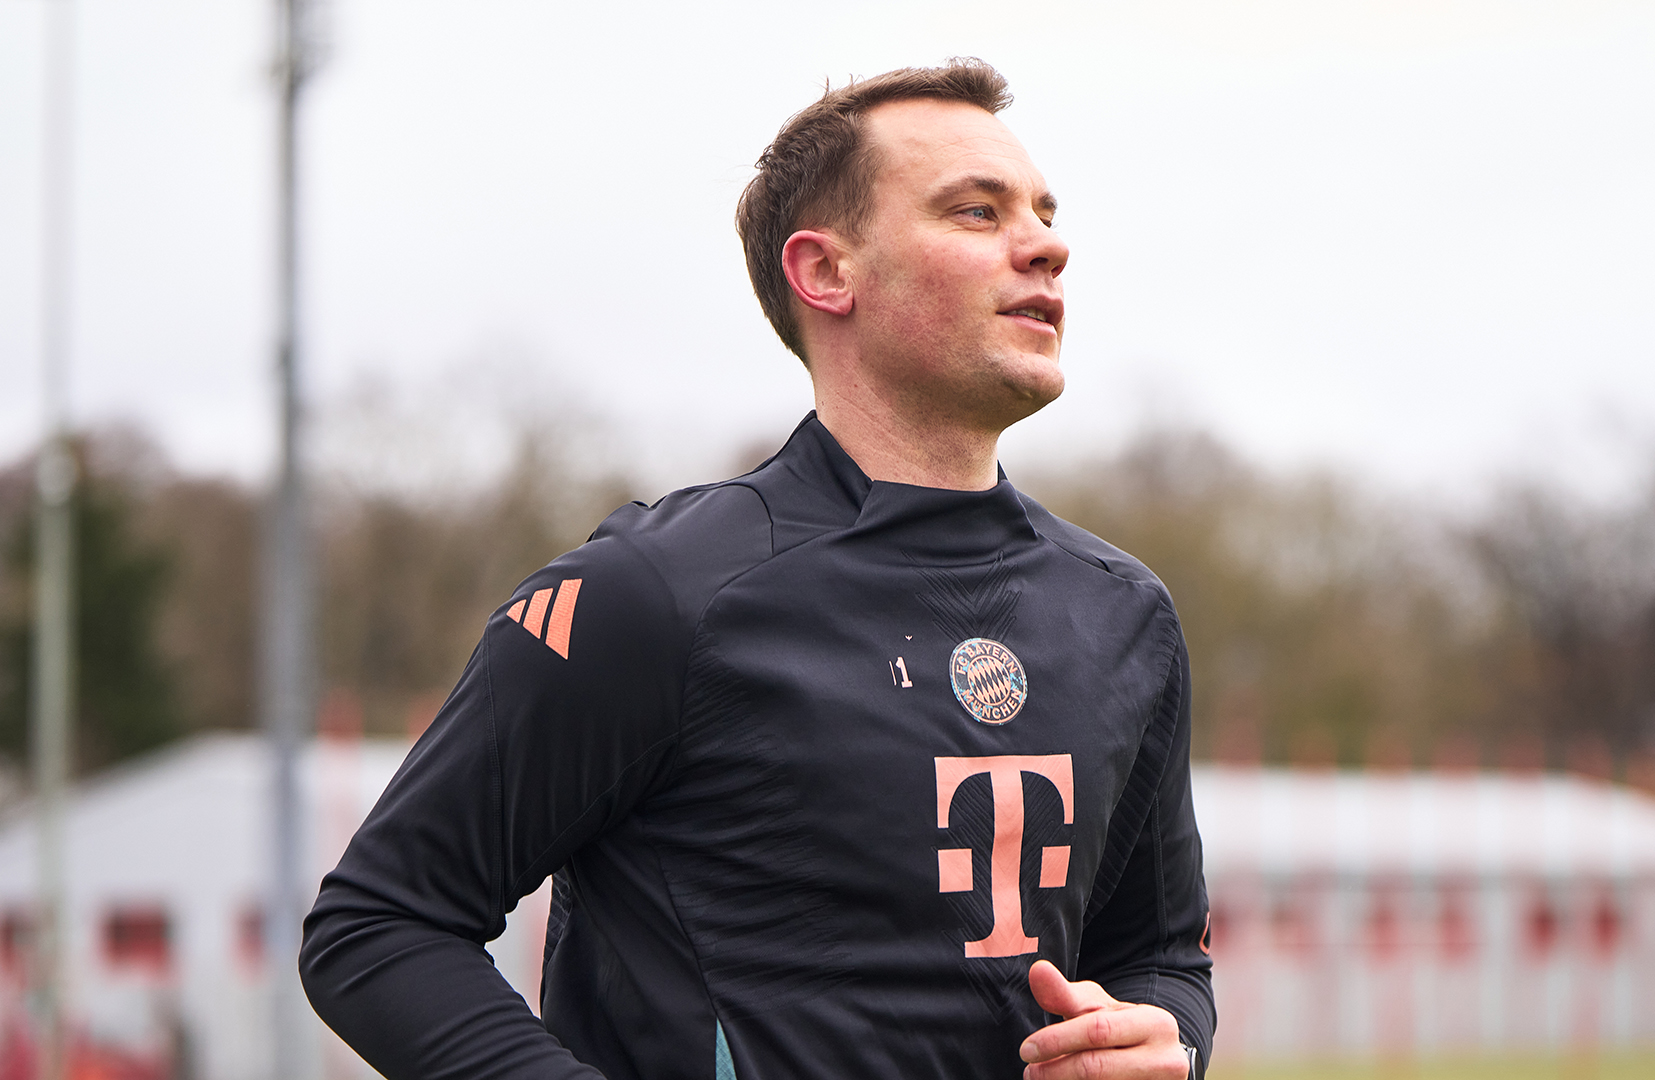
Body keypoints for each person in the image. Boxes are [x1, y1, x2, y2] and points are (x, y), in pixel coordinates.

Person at [301, 58, 1214, 1080]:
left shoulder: (1124, 613)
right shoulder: (654, 596)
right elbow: (380, 924)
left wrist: (1168, 1042)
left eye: (1044, 212)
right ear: (826, 273)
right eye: (975, 211)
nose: (1046, 244)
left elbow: (1160, 956)